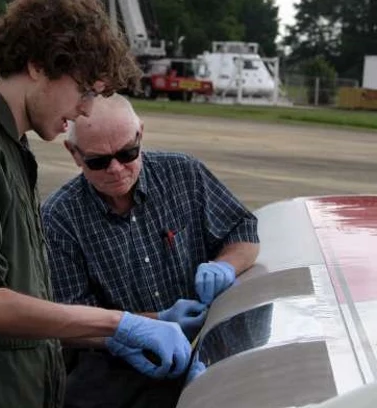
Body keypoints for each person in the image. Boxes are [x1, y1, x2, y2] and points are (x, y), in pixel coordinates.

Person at [0, 1, 192, 407]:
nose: (86, 109)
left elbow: (22, 302)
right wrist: (118, 322)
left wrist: (115, 335)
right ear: (39, 66)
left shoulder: (6, 146)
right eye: (84, 90)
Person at [41, 94, 260, 408]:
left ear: (140, 134)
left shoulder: (184, 175)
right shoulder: (59, 219)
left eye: (128, 153)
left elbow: (244, 231)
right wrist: (148, 324)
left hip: (198, 358)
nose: (116, 169)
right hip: (115, 376)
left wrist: (226, 265)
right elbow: (69, 321)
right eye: (98, 161)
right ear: (74, 154)